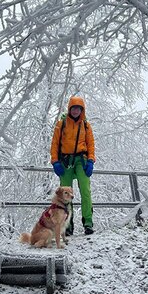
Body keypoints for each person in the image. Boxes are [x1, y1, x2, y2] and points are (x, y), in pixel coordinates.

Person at [50, 96, 95, 235]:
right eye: (73, 108)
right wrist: (55, 161)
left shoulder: (86, 125)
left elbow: (91, 144)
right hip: (65, 162)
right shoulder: (61, 123)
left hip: (81, 161)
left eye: (79, 108)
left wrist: (91, 161)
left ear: (82, 110)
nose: (76, 111)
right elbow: (55, 143)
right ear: (69, 108)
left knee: (85, 191)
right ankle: (68, 225)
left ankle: (88, 223)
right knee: (65, 195)